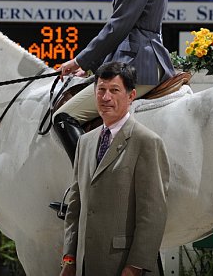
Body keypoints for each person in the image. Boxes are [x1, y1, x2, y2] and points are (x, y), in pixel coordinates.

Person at [53, 0, 176, 161]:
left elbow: (118, 27)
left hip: (138, 63)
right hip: (140, 57)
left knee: (64, 116)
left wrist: (79, 61)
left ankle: (91, 184)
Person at [59, 62, 169, 276]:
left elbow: (153, 213)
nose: (106, 97)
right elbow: (75, 206)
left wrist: (135, 266)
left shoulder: (147, 142)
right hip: (84, 264)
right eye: (101, 90)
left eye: (114, 90)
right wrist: (69, 258)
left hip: (123, 266)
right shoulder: (85, 142)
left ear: (131, 96)